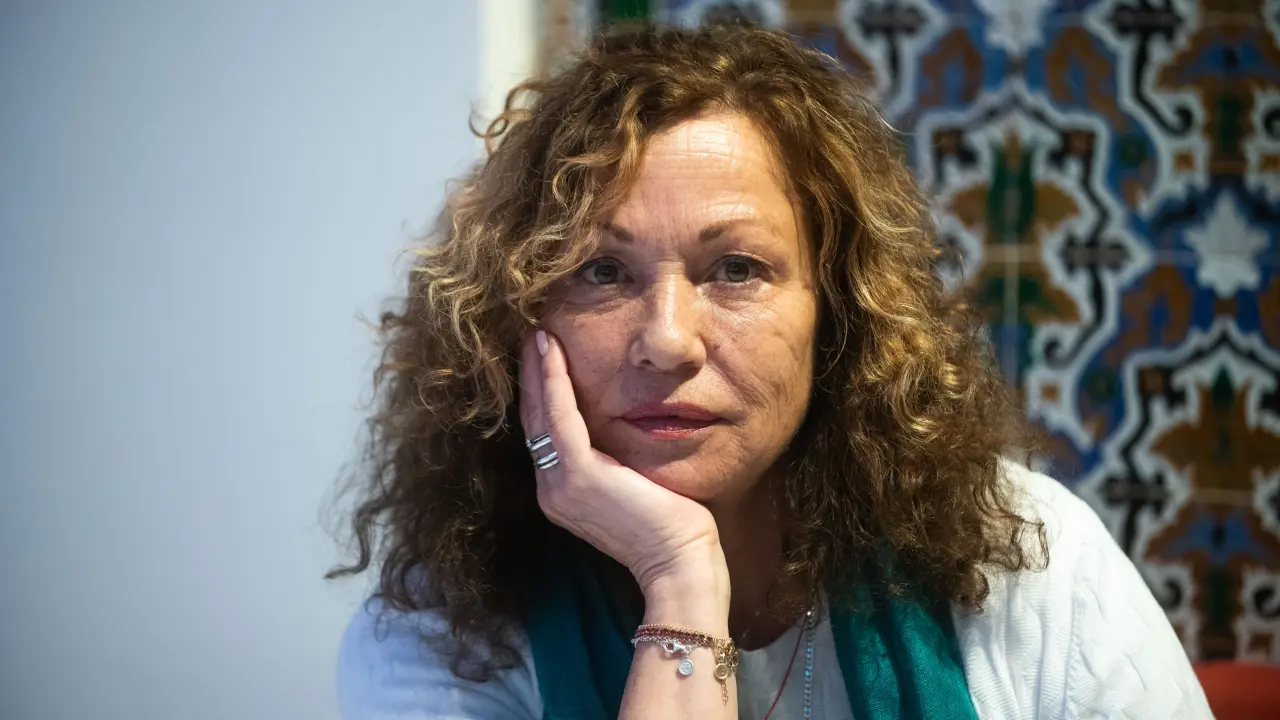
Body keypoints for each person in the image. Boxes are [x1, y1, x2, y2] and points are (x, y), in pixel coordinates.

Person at [330, 24, 1211, 720]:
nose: (667, 340)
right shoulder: (443, 634)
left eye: (736, 269)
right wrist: (679, 581)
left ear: (838, 311)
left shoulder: (1029, 557)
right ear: (515, 319)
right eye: (601, 272)